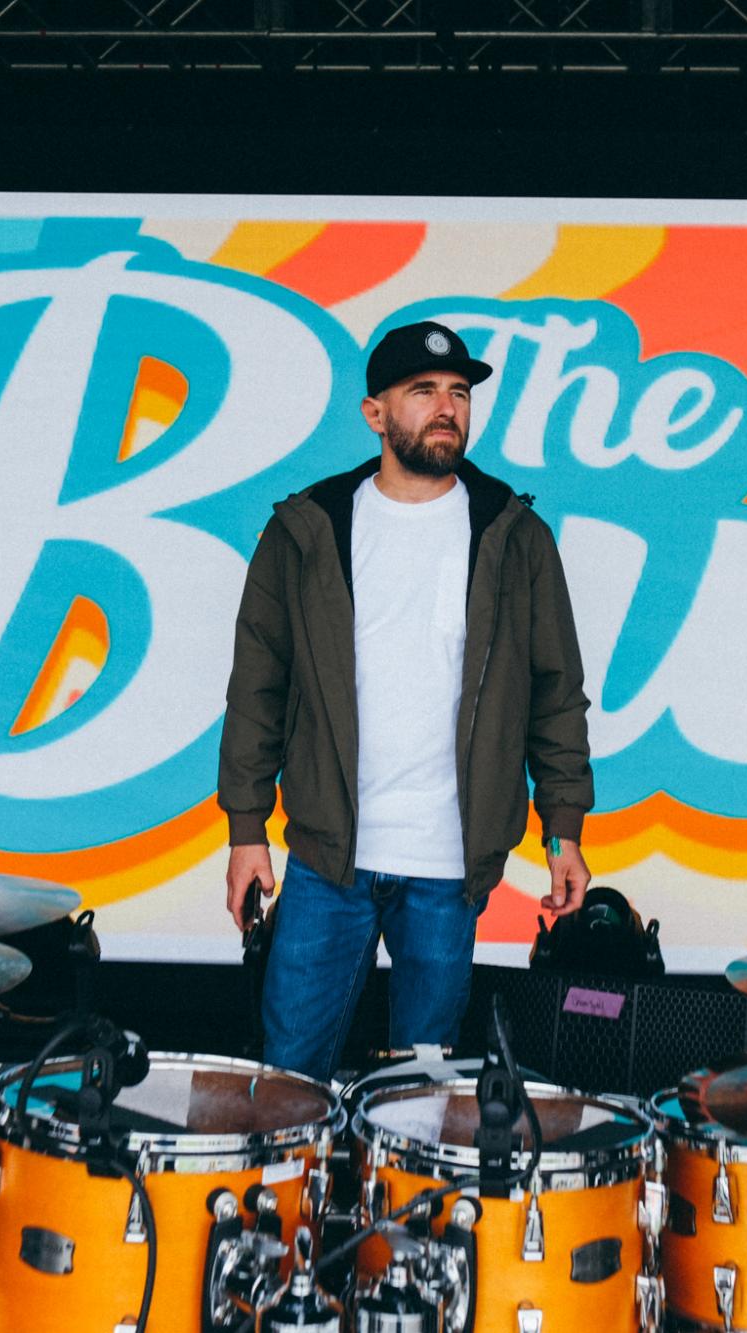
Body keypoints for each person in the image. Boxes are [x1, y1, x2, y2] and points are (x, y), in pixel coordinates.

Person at [219, 320, 595, 1082]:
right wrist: (246, 829)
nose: (447, 407)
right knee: (291, 1081)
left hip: (448, 867)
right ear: (375, 412)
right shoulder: (307, 529)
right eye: (423, 391)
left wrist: (563, 830)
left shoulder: (515, 535)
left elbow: (555, 694)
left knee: (423, 1093)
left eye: (459, 392)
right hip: (328, 861)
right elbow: (258, 687)